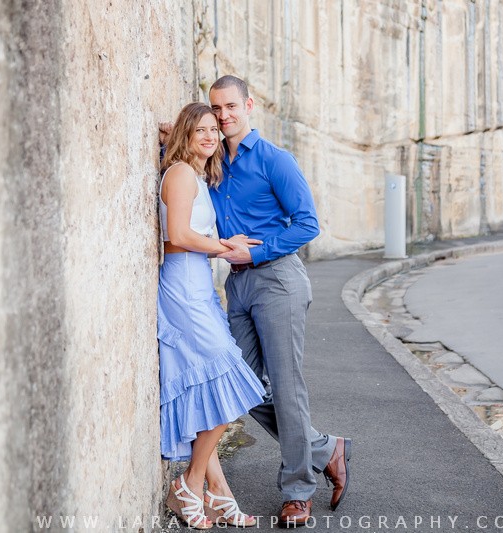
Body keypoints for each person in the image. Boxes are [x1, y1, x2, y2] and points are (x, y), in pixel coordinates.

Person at [208, 75, 352, 526]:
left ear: (249, 105)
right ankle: (325, 448)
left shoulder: (275, 160)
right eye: (216, 108)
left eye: (231, 106)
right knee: (241, 384)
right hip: (239, 284)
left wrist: (258, 250)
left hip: (278, 280)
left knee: (287, 387)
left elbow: (308, 224)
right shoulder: (213, 162)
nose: (224, 115)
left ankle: (297, 493)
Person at [157, 102, 267, 529]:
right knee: (229, 376)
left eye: (212, 130)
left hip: (199, 288)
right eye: (198, 129)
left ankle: (216, 493)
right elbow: (178, 236)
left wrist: (175, 132)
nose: (208, 136)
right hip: (183, 289)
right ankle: (189, 484)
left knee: (213, 386)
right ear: (186, 134)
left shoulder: (197, 174)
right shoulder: (182, 174)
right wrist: (225, 245)